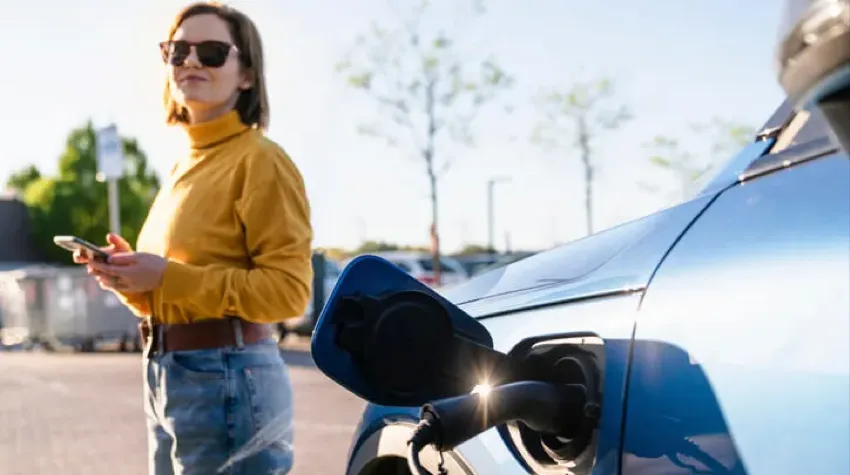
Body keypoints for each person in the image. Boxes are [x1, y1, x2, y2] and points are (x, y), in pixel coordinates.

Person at [74, 2, 313, 474]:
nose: (190, 62)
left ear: (246, 75)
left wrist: (167, 276)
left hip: (226, 377)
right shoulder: (183, 167)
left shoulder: (260, 160)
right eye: (177, 51)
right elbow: (173, 290)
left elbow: (291, 293)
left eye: (211, 51)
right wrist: (132, 283)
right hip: (169, 375)